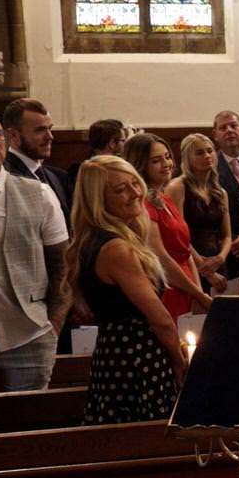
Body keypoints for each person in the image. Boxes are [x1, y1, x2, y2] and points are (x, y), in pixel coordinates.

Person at [66, 156, 183, 424]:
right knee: (144, 440)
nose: (135, 193)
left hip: (115, 353)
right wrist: (179, 361)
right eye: (120, 190)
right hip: (137, 356)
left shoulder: (94, 239)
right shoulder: (116, 248)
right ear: (99, 200)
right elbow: (160, 319)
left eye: (135, 184)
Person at [0, 110, 70, 392]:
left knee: (28, 427)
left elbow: (63, 264)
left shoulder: (38, 193)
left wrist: (52, 327)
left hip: (26, 334)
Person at [120, 133, 211, 321]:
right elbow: (160, 257)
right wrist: (197, 293)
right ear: (140, 165)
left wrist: (198, 292)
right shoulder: (143, 204)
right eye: (156, 160)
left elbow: (185, 251)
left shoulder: (165, 199)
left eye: (167, 157)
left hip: (187, 286)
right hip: (169, 287)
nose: (166, 164)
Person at [167, 133, 230, 294]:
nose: (207, 156)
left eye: (210, 151)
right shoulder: (177, 187)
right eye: (200, 152)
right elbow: (178, 236)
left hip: (217, 262)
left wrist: (220, 259)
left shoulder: (220, 192)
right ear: (188, 158)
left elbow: (226, 236)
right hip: (192, 263)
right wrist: (206, 271)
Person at [2, 98, 72, 214]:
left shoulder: (59, 177)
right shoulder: (2, 177)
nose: (50, 137)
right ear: (13, 135)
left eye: (50, 128)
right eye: (40, 130)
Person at [209, 110, 239, 282]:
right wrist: (235, 241)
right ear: (215, 135)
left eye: (233, 125)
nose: (229, 130)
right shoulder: (207, 170)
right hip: (226, 257)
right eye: (223, 128)